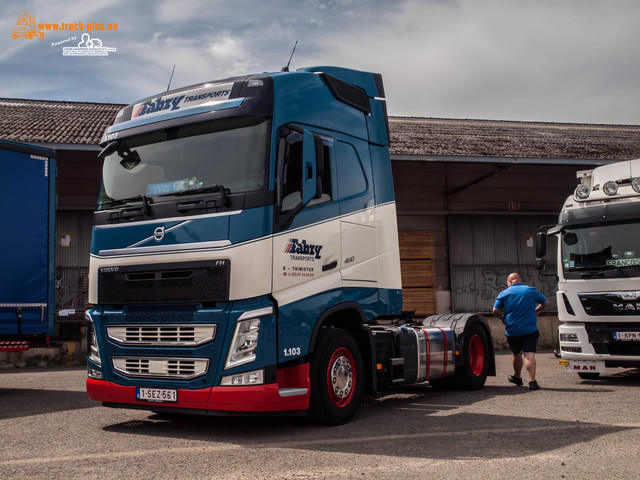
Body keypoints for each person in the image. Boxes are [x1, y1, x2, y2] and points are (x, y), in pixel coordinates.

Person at [493, 272, 549, 390]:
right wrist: (536, 310)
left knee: (516, 353)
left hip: (513, 330)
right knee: (529, 355)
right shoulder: (530, 290)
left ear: (510, 282)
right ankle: (532, 382)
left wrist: (503, 318)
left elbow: (495, 310)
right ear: (519, 280)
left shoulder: (504, 293)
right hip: (530, 329)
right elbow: (545, 303)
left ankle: (517, 377)